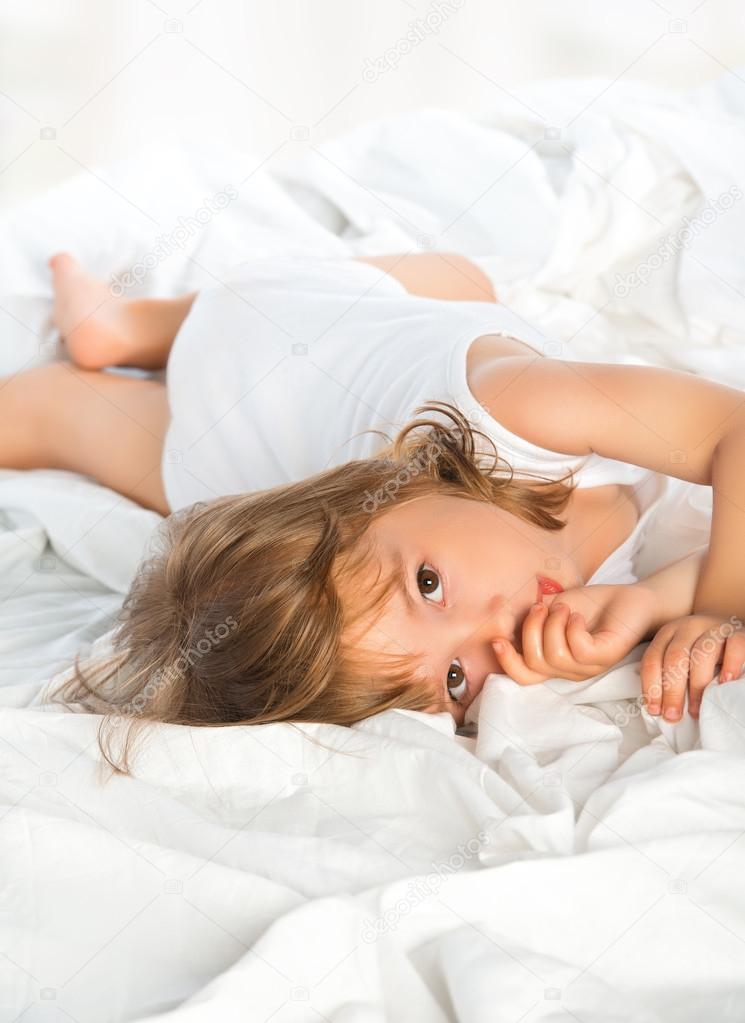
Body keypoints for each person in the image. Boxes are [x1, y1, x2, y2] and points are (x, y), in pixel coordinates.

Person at [14, 249, 743, 774]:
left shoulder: (515, 406)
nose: (496, 630)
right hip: (286, 458)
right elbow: (695, 547)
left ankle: (131, 323)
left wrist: (712, 609)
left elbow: (731, 432)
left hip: (285, 340)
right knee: (62, 422)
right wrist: (648, 599)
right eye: (455, 678)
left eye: (429, 585)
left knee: (458, 276)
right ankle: (112, 334)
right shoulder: (552, 603)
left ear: (386, 488)